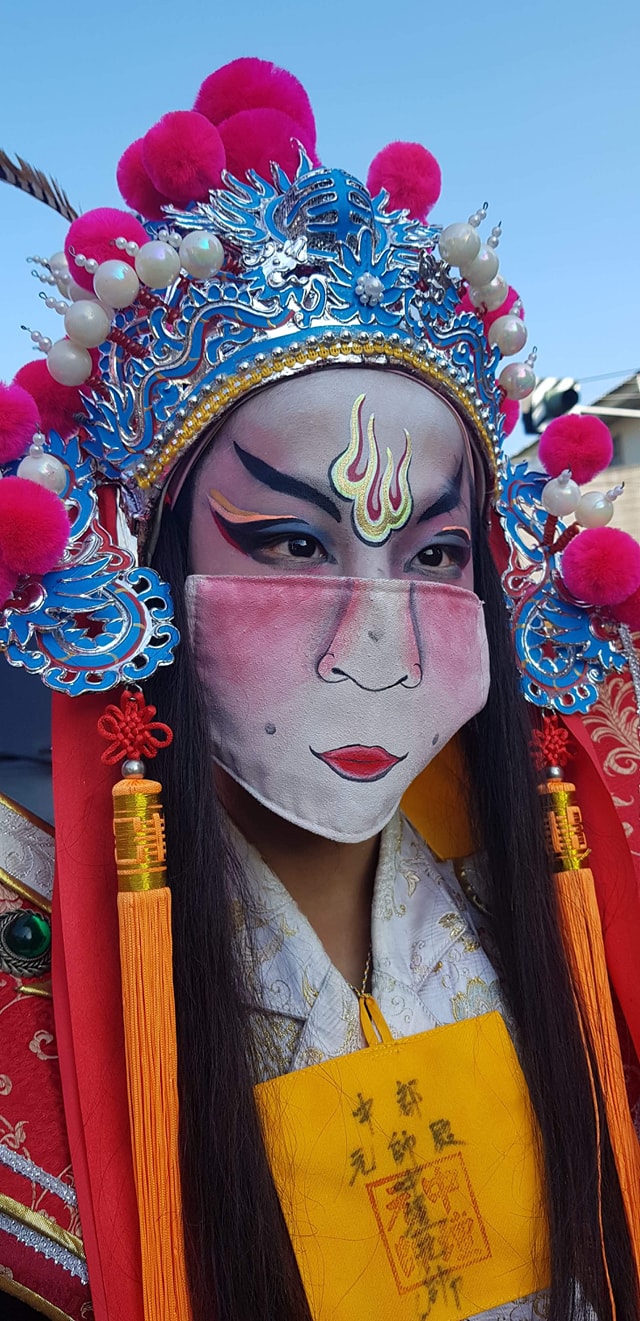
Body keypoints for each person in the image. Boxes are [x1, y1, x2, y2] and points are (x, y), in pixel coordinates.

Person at [0, 56, 639, 1321]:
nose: (380, 649)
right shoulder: (30, 916)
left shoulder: (557, 876)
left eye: (436, 557)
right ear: (143, 569)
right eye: (292, 543)